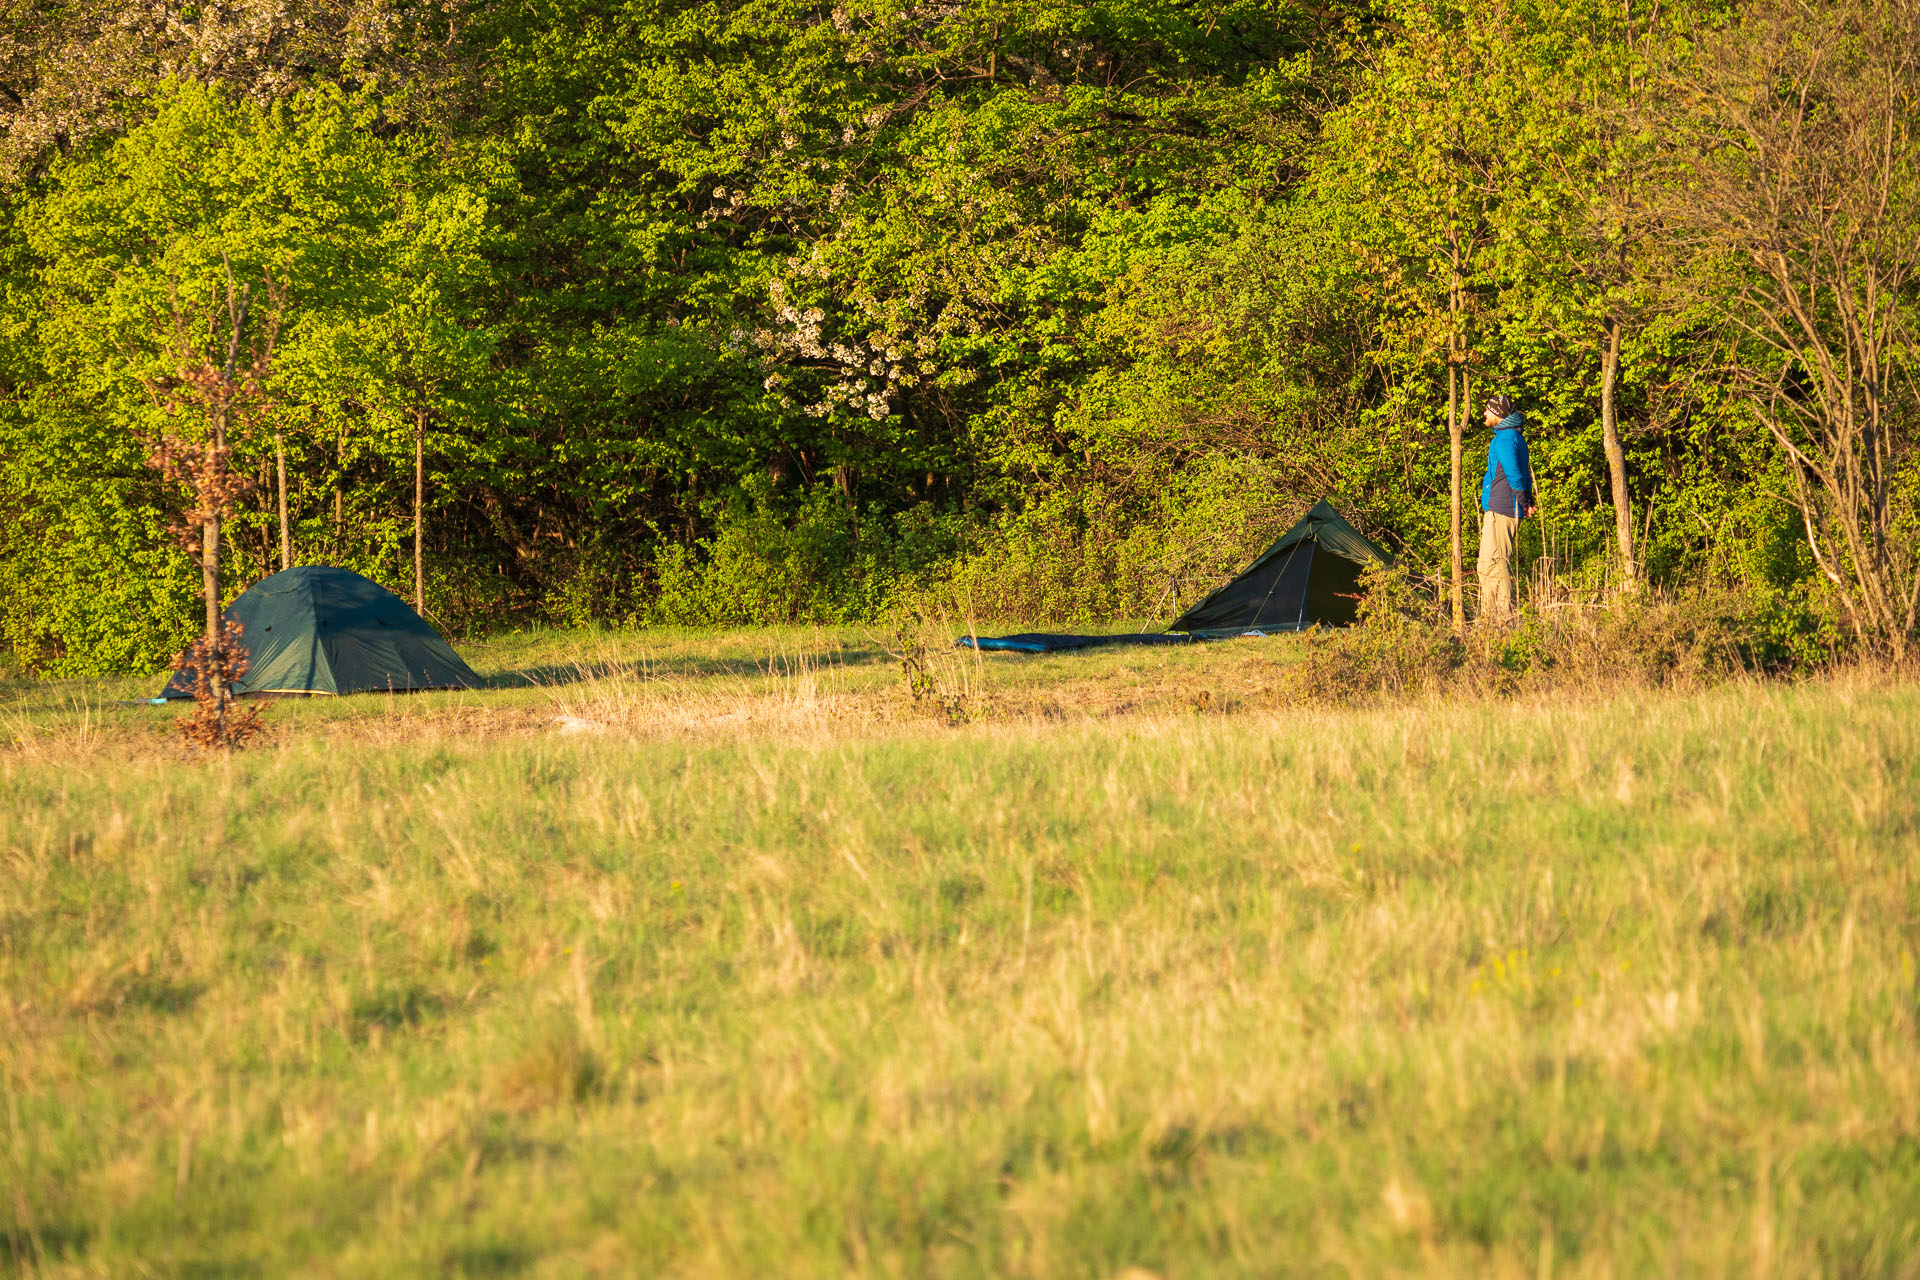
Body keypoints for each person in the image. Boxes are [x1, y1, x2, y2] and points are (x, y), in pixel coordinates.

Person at [1477, 394, 1535, 622]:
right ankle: (1488, 619)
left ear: (1498, 414)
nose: (1484, 414)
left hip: (1501, 511)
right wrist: (1527, 501)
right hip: (1500, 510)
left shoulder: (1505, 438)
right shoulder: (1511, 437)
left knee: (1495, 563)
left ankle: (1504, 620)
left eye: (1488, 410)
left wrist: (1524, 501)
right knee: (1485, 564)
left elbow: (1514, 473)